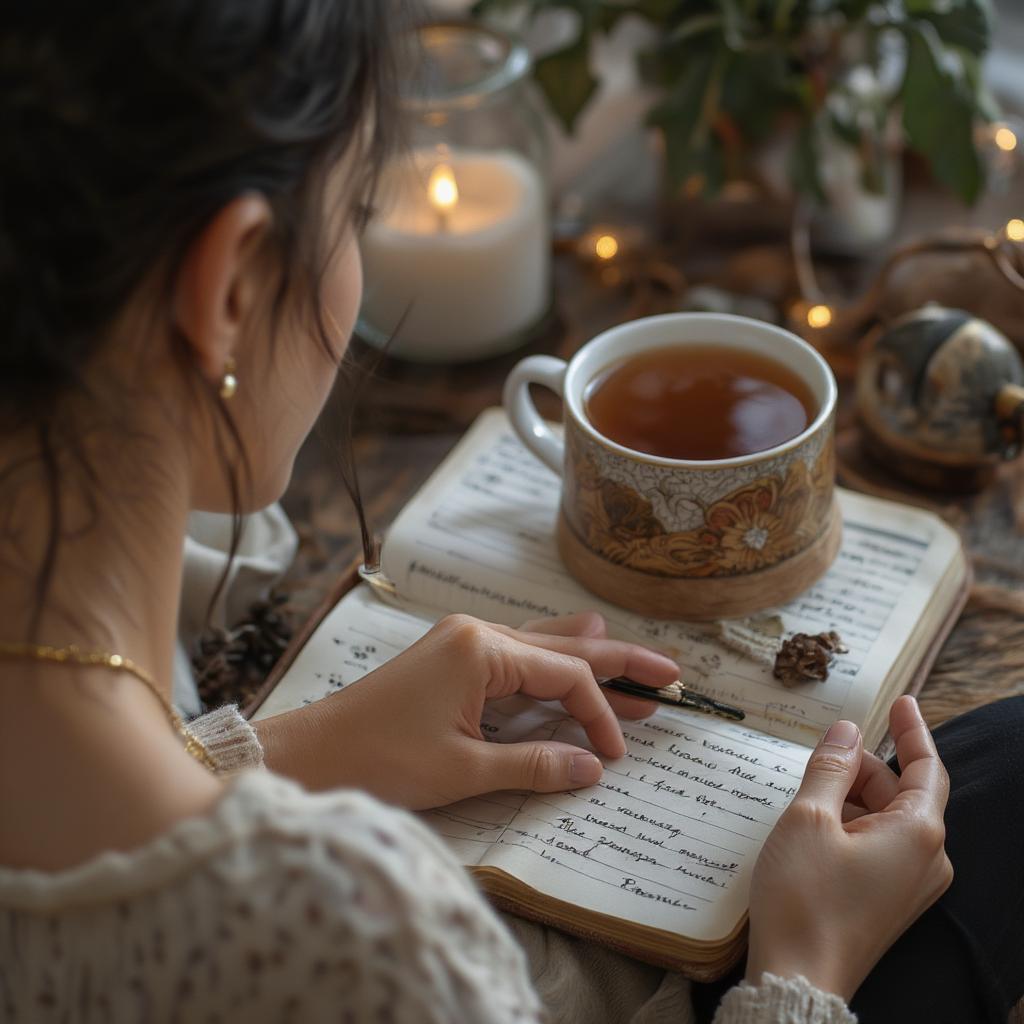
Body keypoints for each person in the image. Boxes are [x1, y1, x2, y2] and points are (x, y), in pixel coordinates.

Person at [0, 3, 1021, 1022]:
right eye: (358, 213)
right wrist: (805, 967)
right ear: (227, 290)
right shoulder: (352, 938)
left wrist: (288, 747)